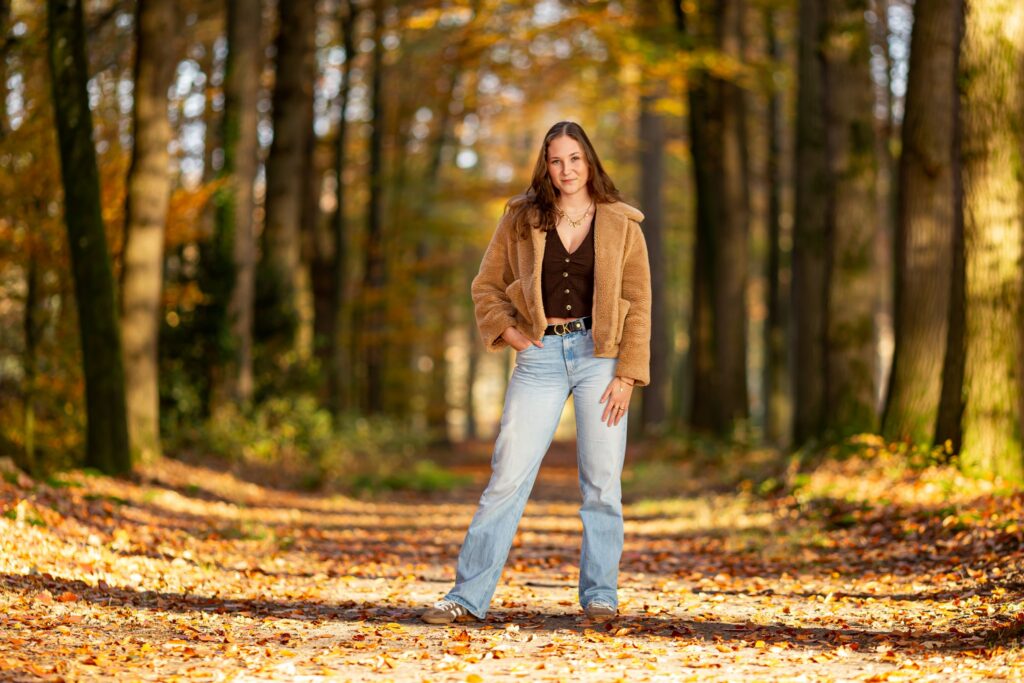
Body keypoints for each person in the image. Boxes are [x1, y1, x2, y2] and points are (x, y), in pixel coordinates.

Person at [421, 120, 651, 625]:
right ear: (545, 165)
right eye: (555, 160)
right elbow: (486, 286)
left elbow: (638, 303)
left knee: (602, 483)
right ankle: (465, 598)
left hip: (601, 359)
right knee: (506, 478)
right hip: (540, 359)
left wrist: (627, 375)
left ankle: (600, 596)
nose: (566, 170)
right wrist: (512, 334)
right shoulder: (522, 218)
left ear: (589, 161)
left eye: (574, 158)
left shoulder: (622, 224)